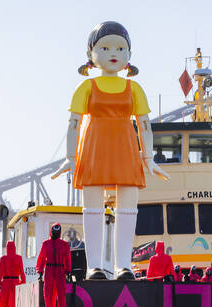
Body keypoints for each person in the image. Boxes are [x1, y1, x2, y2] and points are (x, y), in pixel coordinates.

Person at [51, 21, 169, 281]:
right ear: (91, 55)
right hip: (93, 147)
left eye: (120, 48)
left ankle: (122, 266)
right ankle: (95, 266)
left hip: (126, 149)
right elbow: (73, 123)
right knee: (92, 206)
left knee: (128, 206)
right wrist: (70, 158)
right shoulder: (86, 88)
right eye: (104, 48)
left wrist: (148, 157)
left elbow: (145, 125)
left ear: (128, 56)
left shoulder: (134, 88)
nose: (113, 52)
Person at [36, 223, 72, 307]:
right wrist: (40, 271)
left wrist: (68, 271)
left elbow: (67, 259)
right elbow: (41, 258)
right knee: (49, 299)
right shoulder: (46, 244)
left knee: (61, 299)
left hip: (58, 271)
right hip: (51, 271)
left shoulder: (64, 245)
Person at [0, 240, 26, 307]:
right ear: (15, 248)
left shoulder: (3, 259)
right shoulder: (19, 258)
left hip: (5, 285)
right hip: (15, 284)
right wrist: (19, 285)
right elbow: (23, 278)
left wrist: (0, 284)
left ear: (7, 248)